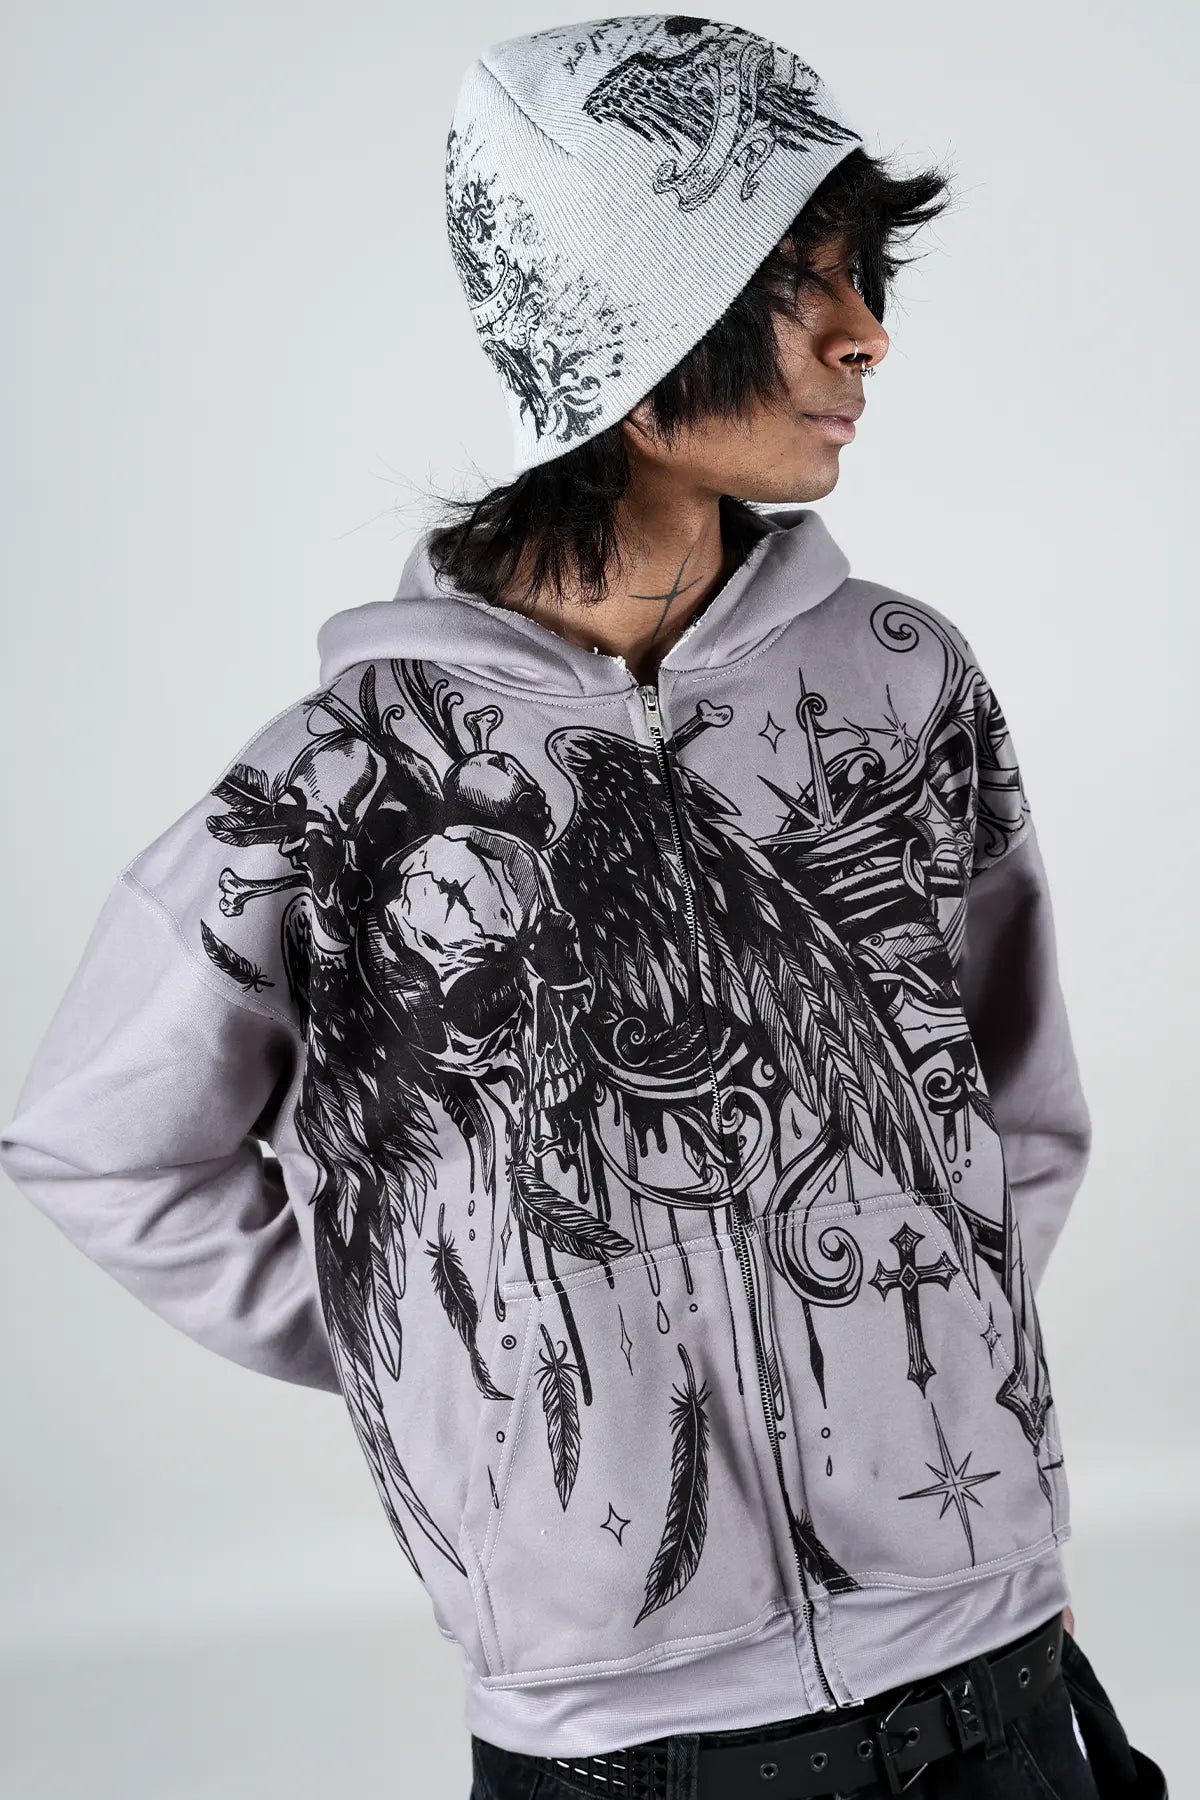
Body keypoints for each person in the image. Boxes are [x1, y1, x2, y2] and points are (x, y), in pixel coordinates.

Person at [1, 15, 1167, 1799]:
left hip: (989, 1670)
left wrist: (931, 1373)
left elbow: (1006, 1103)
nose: (867, 331)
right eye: (800, 279)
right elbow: (98, 1139)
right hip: (627, 1745)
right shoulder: (344, 783)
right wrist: (446, 1346)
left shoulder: (904, 680)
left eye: (863, 274)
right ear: (632, 328)